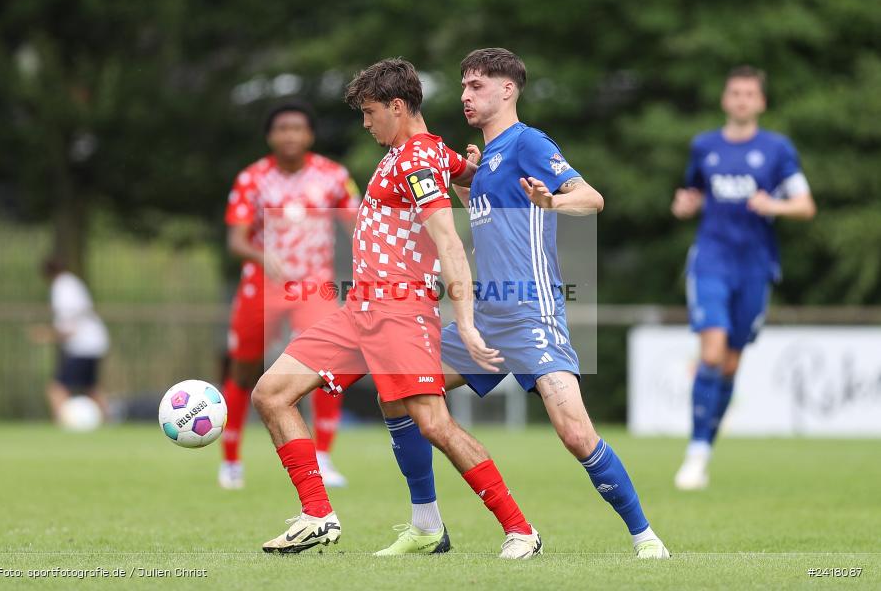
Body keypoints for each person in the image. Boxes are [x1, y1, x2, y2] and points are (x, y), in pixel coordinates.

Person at [375, 48, 670, 559]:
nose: (466, 95)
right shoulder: (486, 161)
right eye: (464, 86)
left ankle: (645, 537)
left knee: (576, 435)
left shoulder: (527, 142)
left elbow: (592, 197)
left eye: (477, 86)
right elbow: (491, 219)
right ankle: (427, 525)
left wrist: (553, 200)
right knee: (397, 392)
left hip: (532, 314)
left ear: (507, 90)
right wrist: (470, 186)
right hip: (486, 318)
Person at [253, 58, 543, 559]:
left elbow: (449, 242)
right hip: (359, 310)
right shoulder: (419, 153)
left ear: (396, 106)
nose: (365, 124)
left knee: (434, 424)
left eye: (369, 113)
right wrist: (471, 171)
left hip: (400, 312)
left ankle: (521, 530)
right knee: (272, 393)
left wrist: (467, 323)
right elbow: (472, 180)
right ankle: (320, 516)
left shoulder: (415, 159)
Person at [672, 66, 816, 490]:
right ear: (724, 99)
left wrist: (775, 206)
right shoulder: (705, 146)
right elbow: (692, 194)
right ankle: (695, 453)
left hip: (755, 266)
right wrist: (685, 204)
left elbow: (805, 205)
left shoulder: (776, 149)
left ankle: (705, 451)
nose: (741, 100)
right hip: (711, 260)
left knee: (731, 364)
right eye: (734, 93)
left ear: (761, 102)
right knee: (712, 353)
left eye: (749, 94)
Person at [220, 101, 359, 490]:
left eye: (298, 128)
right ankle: (230, 460)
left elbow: (358, 226)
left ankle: (324, 457)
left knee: (325, 363)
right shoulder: (253, 178)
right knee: (244, 370)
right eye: (282, 128)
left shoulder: (333, 176)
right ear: (270, 136)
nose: (290, 135)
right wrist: (262, 253)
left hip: (314, 284)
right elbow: (236, 239)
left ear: (310, 135)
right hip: (263, 285)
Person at [33, 257, 110, 421]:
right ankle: (109, 422)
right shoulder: (72, 282)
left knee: (56, 389)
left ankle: (63, 423)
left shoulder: (62, 287)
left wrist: (46, 335)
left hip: (83, 345)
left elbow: (68, 329)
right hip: (95, 342)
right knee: (92, 387)